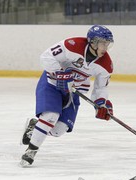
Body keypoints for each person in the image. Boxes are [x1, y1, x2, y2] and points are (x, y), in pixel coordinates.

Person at [20, 25, 114, 167]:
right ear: (93, 42)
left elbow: (101, 88)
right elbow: (46, 57)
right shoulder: (71, 45)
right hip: (52, 84)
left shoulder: (106, 64)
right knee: (50, 116)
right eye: (103, 44)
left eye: (107, 44)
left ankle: (35, 127)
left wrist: (101, 104)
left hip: (73, 91)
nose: (105, 48)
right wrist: (59, 72)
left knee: (58, 130)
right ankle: (31, 151)